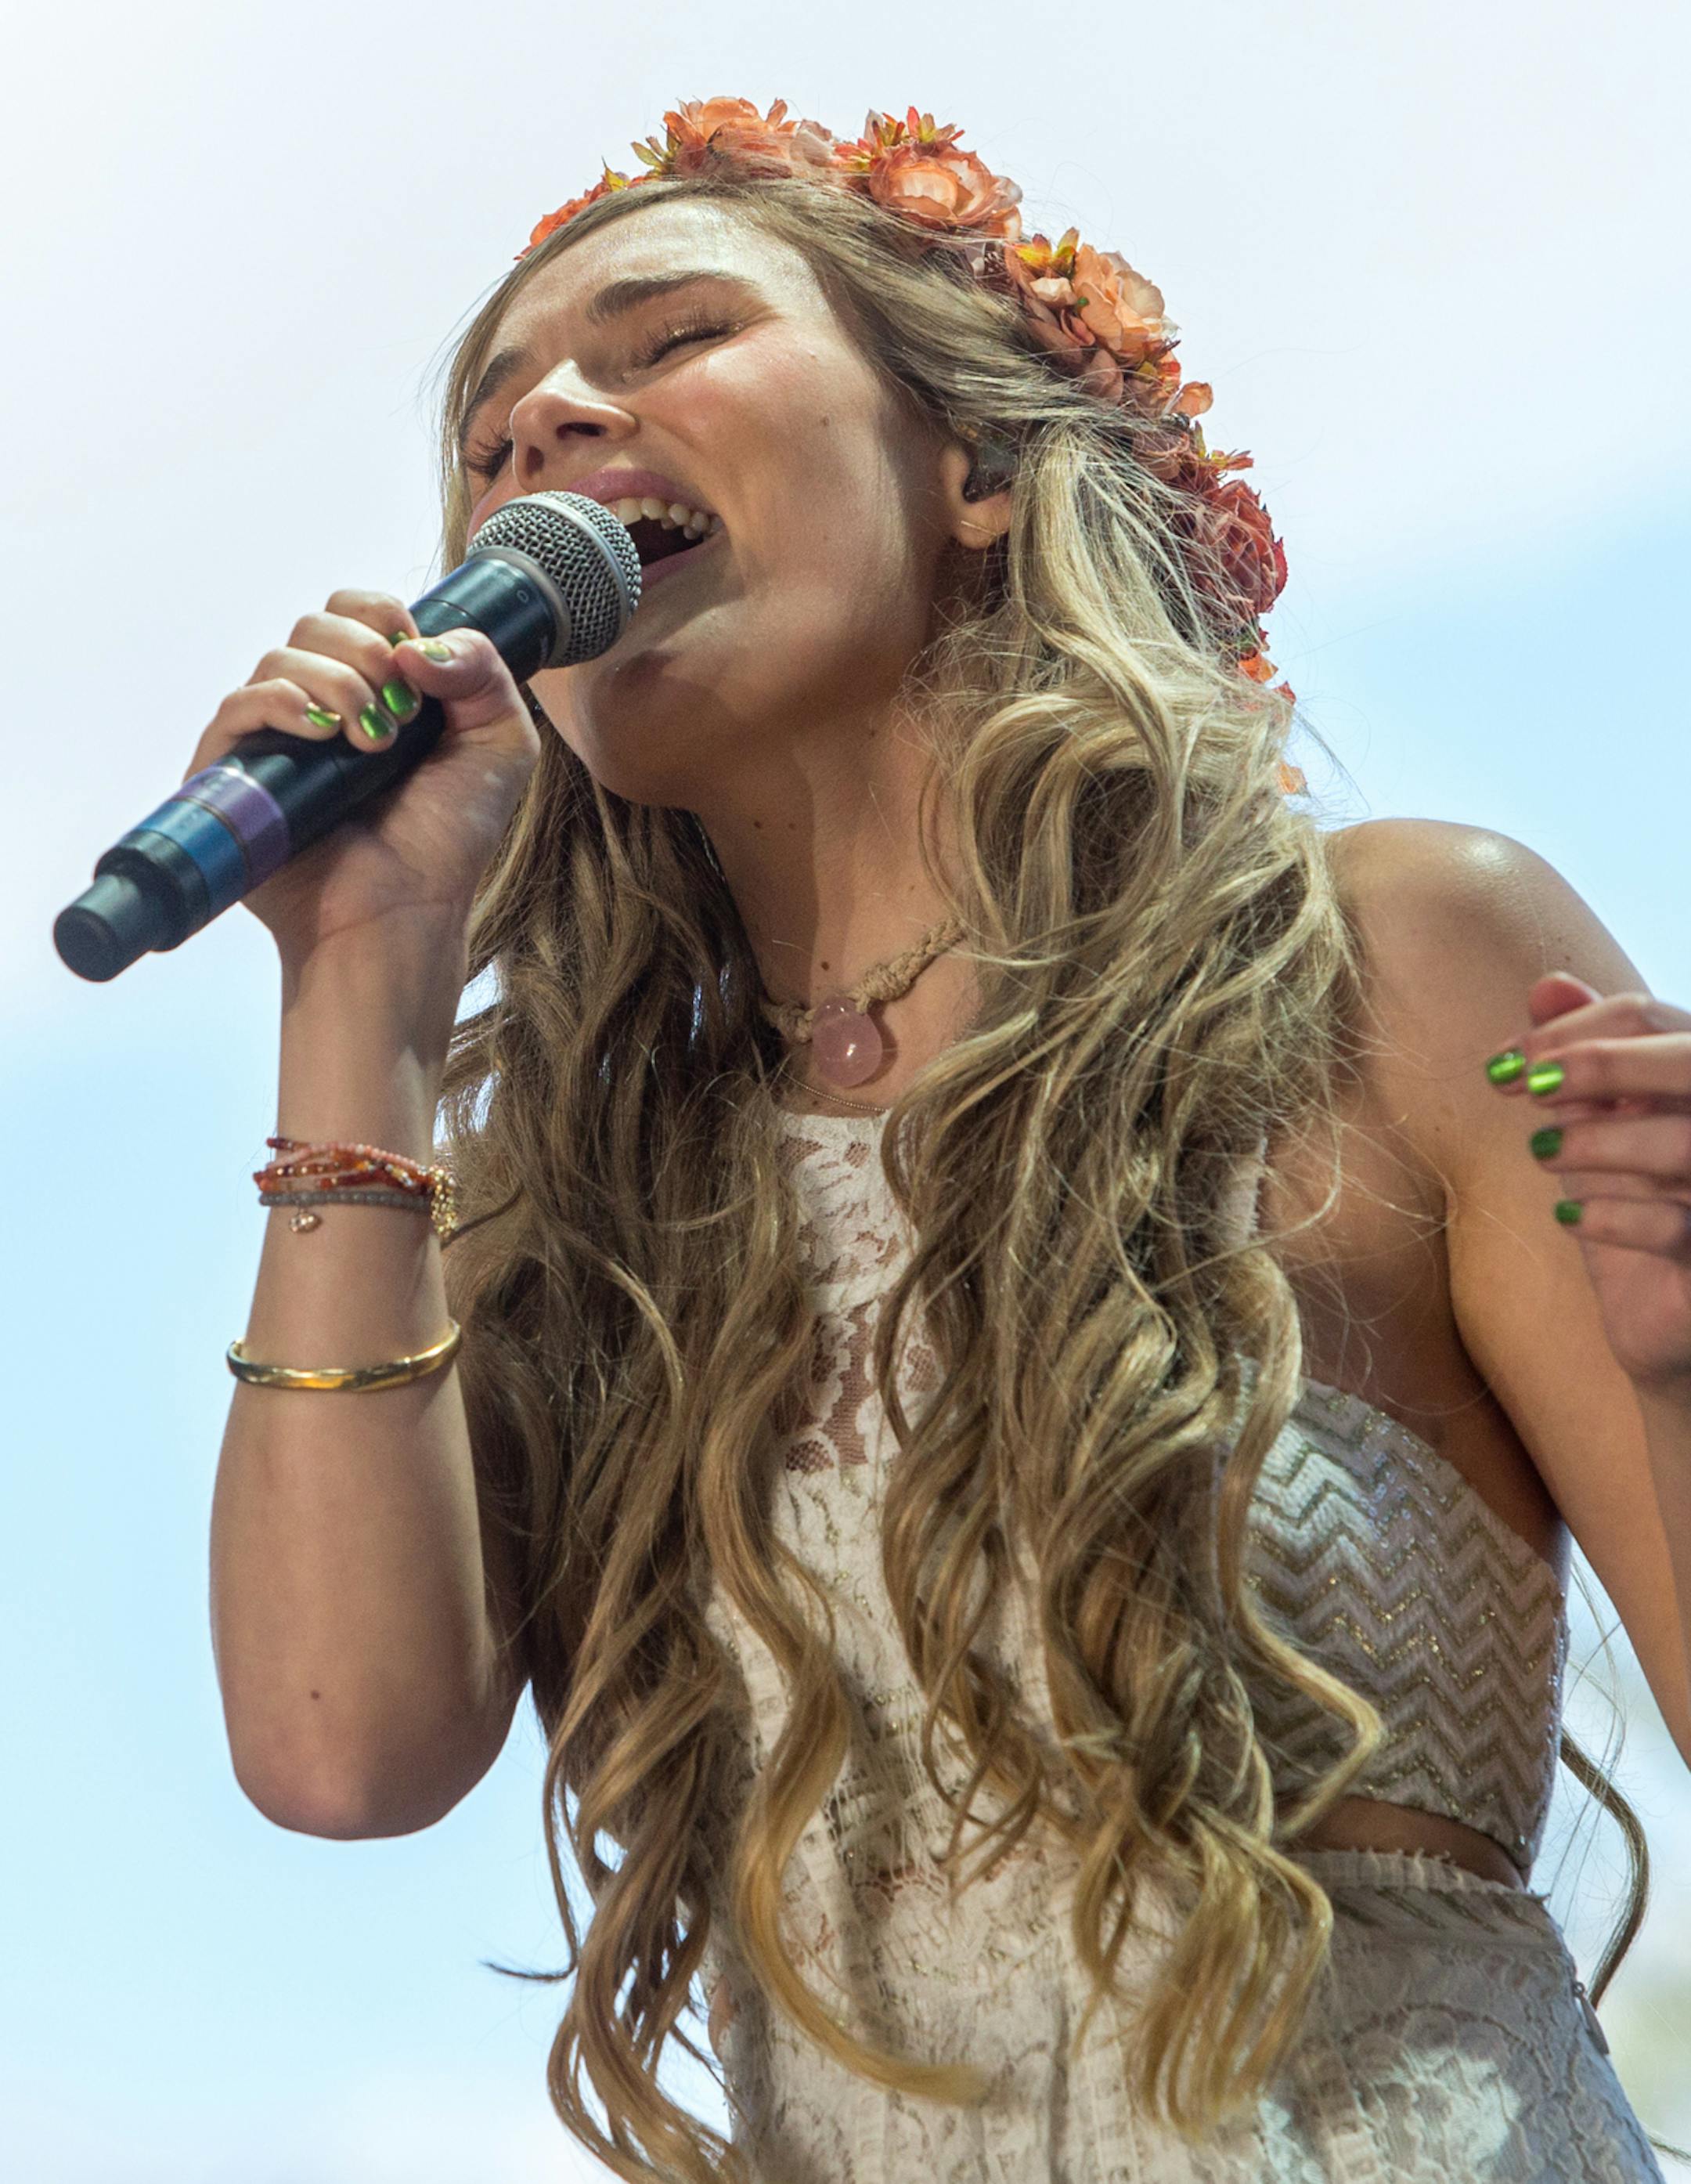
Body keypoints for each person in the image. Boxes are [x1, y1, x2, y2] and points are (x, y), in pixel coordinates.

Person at [204, 99, 1691, 2184]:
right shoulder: (591, 1214)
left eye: (669, 337)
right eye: (492, 429)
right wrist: (356, 975)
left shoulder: (1399, 961)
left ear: (975, 472)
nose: (539, 418)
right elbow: (337, 1748)